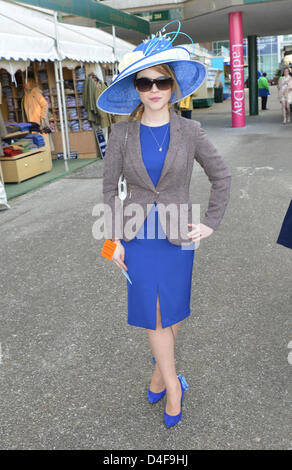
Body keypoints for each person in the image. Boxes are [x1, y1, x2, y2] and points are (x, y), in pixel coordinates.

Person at [97, 21, 232, 428]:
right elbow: (108, 192)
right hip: (137, 237)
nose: (153, 89)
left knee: (171, 313)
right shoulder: (120, 135)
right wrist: (111, 243)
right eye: (144, 82)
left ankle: (159, 373)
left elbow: (221, 176)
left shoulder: (190, 131)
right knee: (153, 313)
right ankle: (173, 385)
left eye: (161, 81)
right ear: (135, 89)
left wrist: (210, 222)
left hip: (178, 235)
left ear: (173, 87)